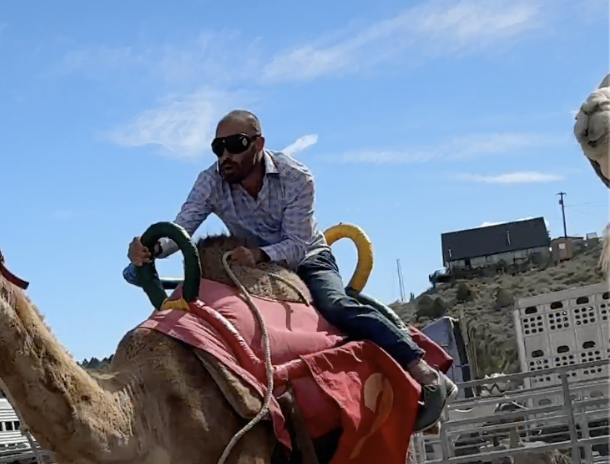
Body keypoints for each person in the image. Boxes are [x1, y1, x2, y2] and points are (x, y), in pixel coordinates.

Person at [127, 109, 457, 431]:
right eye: (218, 147)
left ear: (258, 144)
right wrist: (151, 247)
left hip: (305, 259)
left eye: (235, 144)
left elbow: (298, 244)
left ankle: (420, 367)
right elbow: (183, 226)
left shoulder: (295, 176)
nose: (225, 155)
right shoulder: (210, 181)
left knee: (337, 306)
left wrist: (259, 253)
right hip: (248, 271)